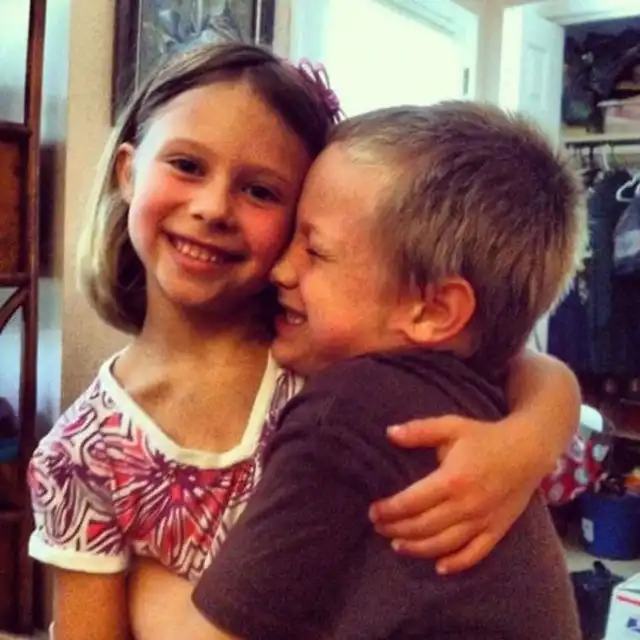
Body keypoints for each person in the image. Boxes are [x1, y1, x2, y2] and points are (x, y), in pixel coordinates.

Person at [26, 43, 579, 640]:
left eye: (261, 192)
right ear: (128, 171)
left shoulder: (326, 354)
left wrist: (532, 437)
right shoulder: (80, 454)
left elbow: (513, 360)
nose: (213, 208)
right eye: (186, 164)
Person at [176, 102, 585, 639]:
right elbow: (533, 365)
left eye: (315, 250)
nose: (281, 267)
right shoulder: (471, 383)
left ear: (432, 311)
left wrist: (145, 583)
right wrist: (538, 428)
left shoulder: (351, 406)